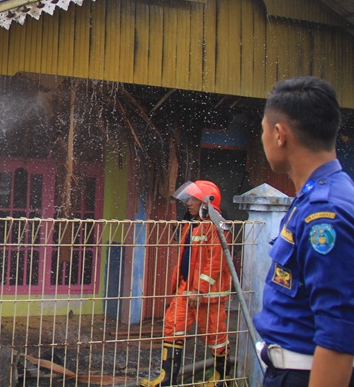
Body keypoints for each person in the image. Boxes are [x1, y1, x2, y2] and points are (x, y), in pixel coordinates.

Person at [254, 76, 354, 387]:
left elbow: (339, 329)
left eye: (262, 130)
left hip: (304, 375)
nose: (262, 138)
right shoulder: (323, 196)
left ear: (279, 134)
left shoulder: (325, 214)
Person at [141, 180, 232, 387]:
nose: (188, 203)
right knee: (172, 327)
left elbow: (215, 262)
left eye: (193, 199)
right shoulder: (192, 225)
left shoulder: (218, 227)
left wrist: (199, 289)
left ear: (207, 202)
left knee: (215, 335)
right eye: (188, 198)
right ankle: (167, 380)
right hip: (187, 289)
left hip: (208, 294)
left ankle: (221, 379)